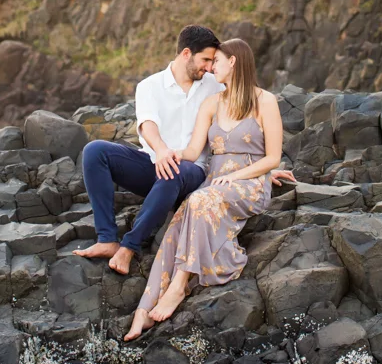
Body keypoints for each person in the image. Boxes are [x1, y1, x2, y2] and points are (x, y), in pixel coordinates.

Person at [124, 37, 296, 341]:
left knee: (199, 200)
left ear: (233, 62)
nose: (210, 66)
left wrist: (240, 175)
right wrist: (170, 153)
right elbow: (193, 150)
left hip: (248, 183)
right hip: (214, 182)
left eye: (216, 61)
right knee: (180, 221)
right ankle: (144, 308)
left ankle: (179, 285)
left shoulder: (265, 101)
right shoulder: (212, 102)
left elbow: (272, 157)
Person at [73, 25, 224, 276]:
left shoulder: (214, 86)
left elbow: (236, 126)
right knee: (94, 151)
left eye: (211, 61)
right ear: (186, 53)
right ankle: (107, 239)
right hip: (153, 164)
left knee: (174, 170)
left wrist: (250, 168)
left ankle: (129, 247)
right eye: (205, 59)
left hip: (192, 171)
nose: (209, 67)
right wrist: (162, 150)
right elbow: (147, 124)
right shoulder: (149, 86)